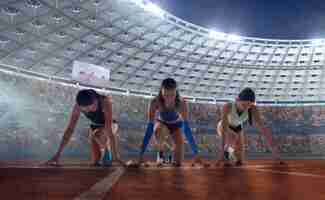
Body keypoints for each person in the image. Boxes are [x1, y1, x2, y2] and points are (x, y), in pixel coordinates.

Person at [130, 78, 202, 167]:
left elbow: (186, 129)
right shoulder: (155, 102)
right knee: (158, 131)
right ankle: (160, 154)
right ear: (161, 92)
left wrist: (196, 154)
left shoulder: (182, 103)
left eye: (172, 95)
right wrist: (141, 154)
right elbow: (150, 128)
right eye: (166, 95)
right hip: (162, 123)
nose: (169, 99)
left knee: (178, 162)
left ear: (176, 92)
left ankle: (173, 152)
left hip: (176, 125)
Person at [46, 89, 124, 166]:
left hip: (110, 125)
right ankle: (104, 152)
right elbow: (70, 129)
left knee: (98, 134)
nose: (89, 110)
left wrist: (115, 156)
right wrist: (58, 154)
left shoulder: (105, 101)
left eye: (92, 107)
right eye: (86, 109)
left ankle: (108, 151)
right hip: (94, 127)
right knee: (95, 161)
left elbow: (109, 130)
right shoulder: (78, 106)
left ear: (95, 101)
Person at [217, 87, 281, 166]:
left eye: (249, 105)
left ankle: (231, 155)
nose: (246, 107)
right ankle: (226, 155)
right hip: (224, 125)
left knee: (239, 160)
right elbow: (224, 129)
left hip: (238, 127)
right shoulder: (228, 106)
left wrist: (274, 151)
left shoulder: (253, 109)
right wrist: (222, 151)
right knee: (233, 137)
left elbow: (264, 129)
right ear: (237, 100)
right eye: (244, 104)